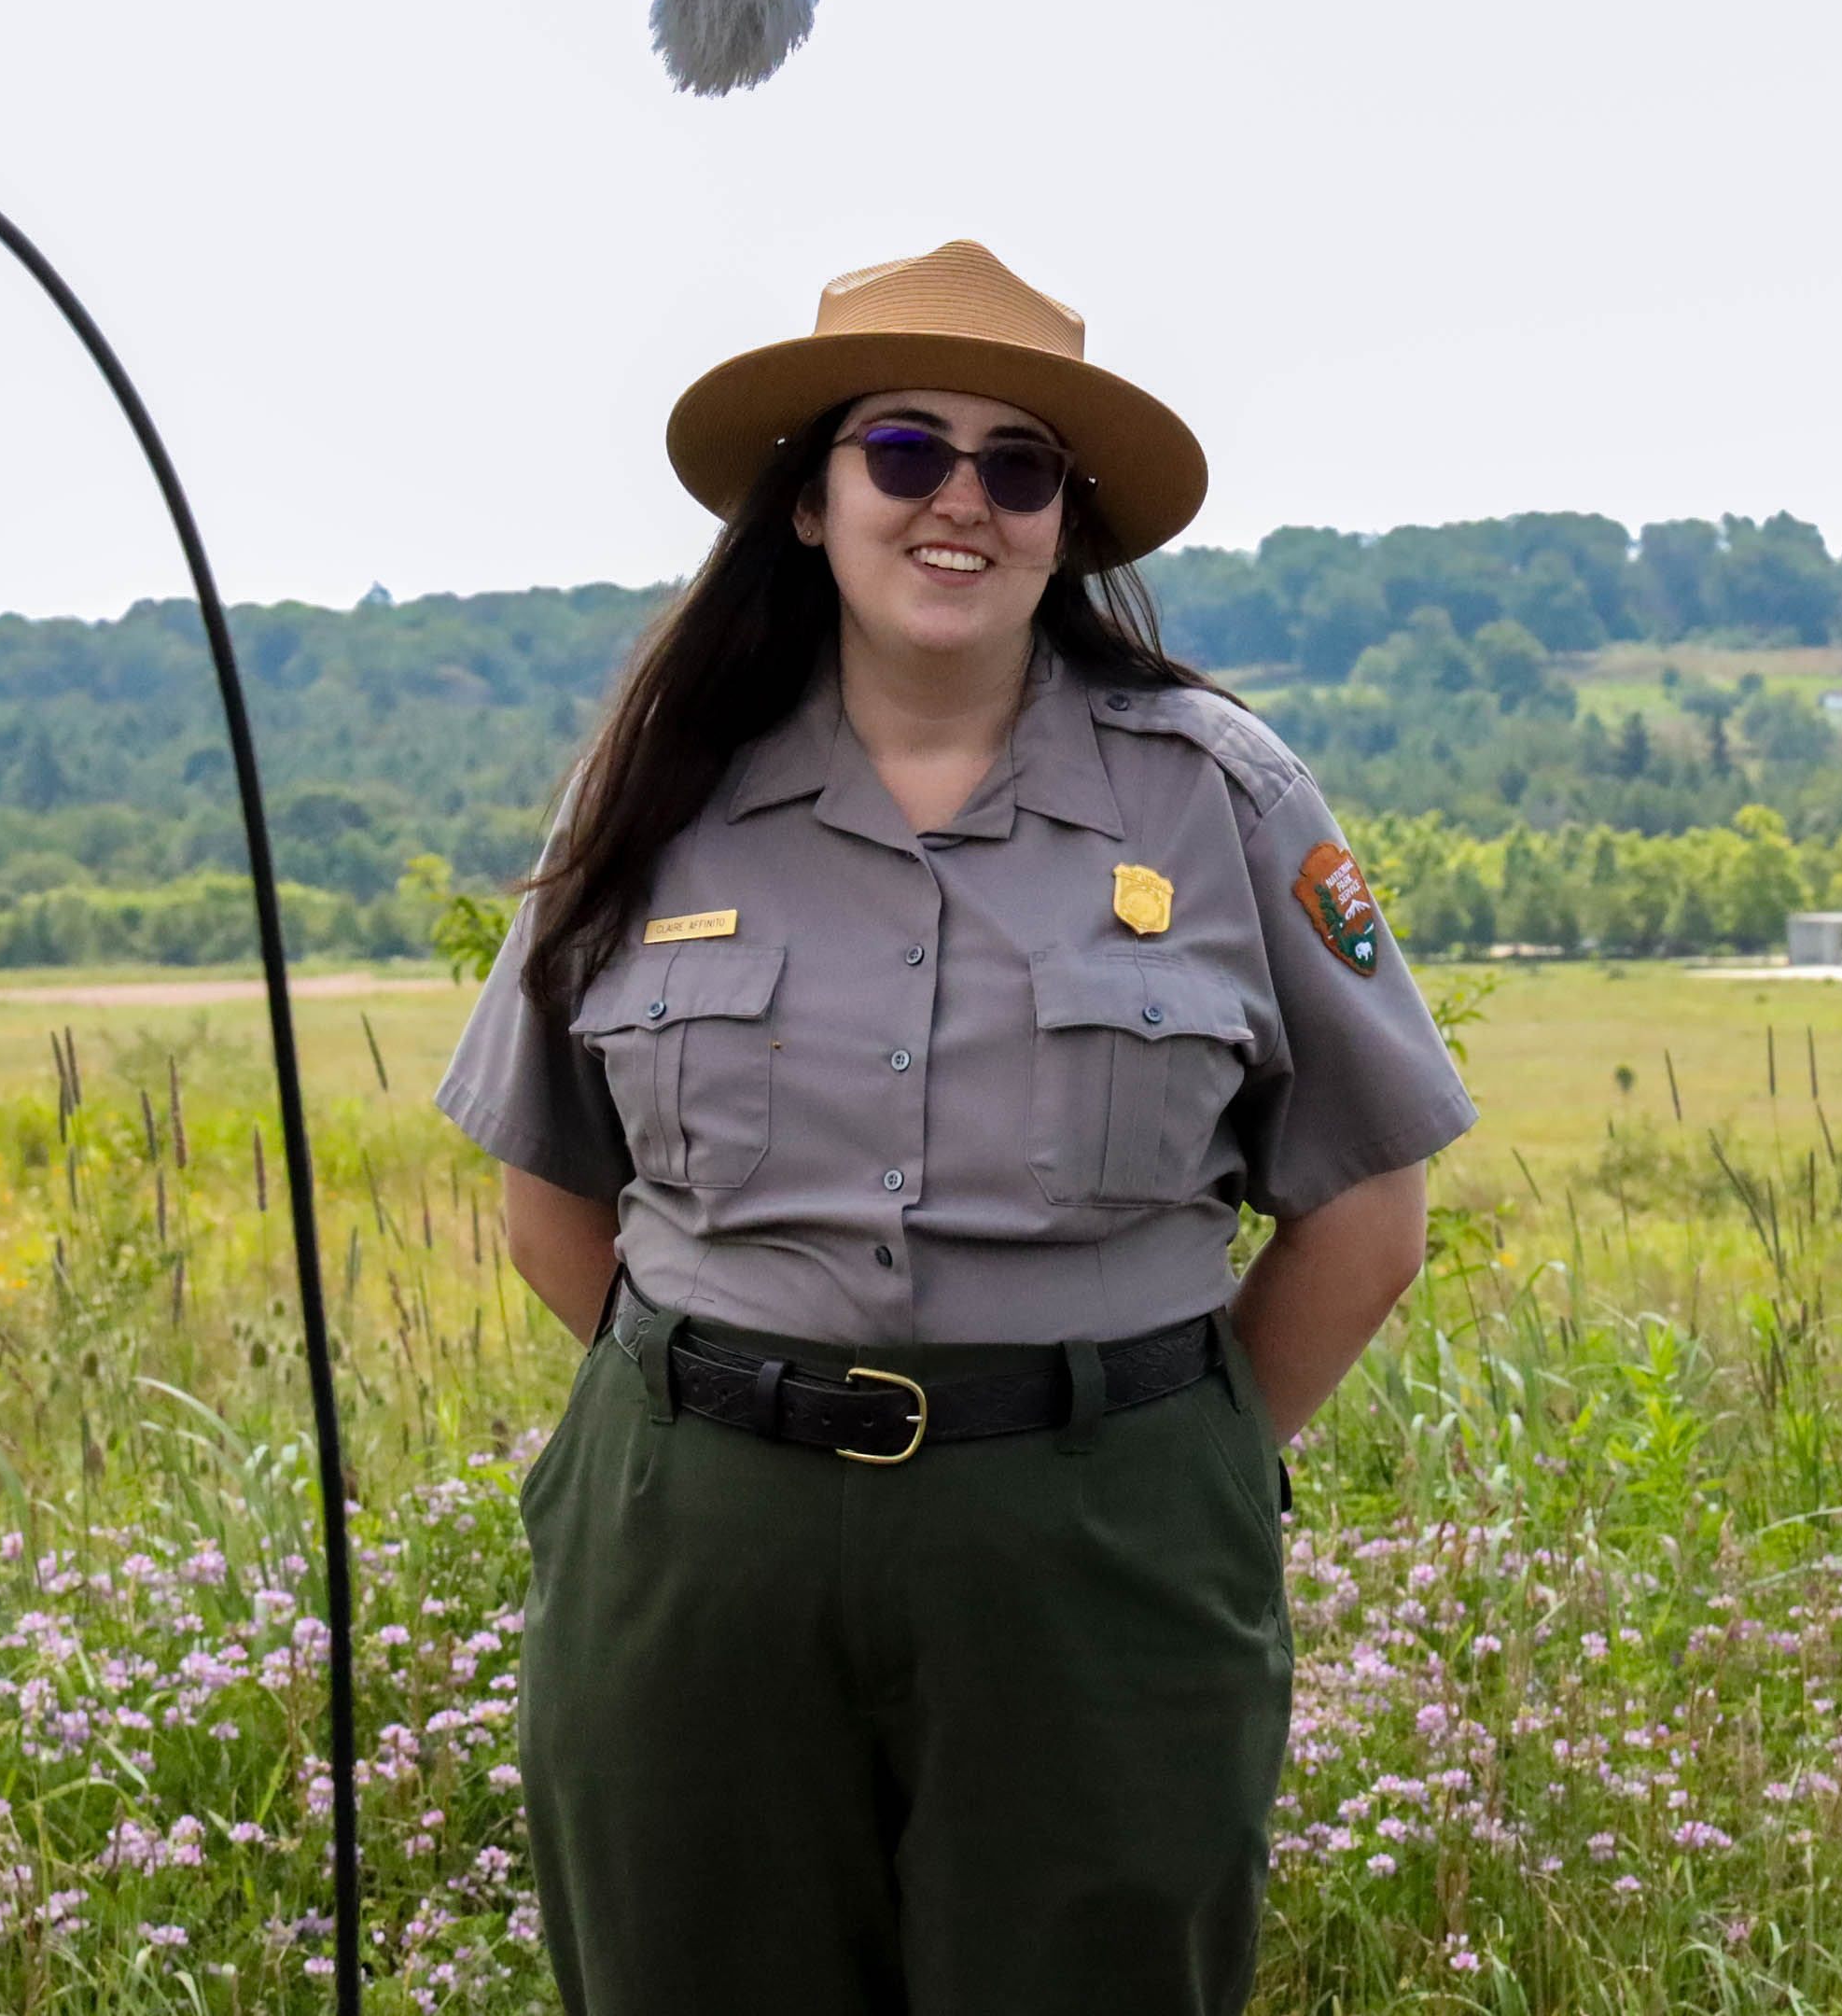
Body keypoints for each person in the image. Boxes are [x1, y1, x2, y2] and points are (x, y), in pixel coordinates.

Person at [436, 239, 1475, 2016]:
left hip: (1097, 1554)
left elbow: (1368, 1222)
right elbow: (553, 1199)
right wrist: (748, 1419)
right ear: (810, 501)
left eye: (1016, 467)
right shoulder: (661, 789)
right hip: (698, 1552)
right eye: (903, 452)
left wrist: (1161, 1466)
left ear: (1065, 523)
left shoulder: (1220, 795)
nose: (959, 504)